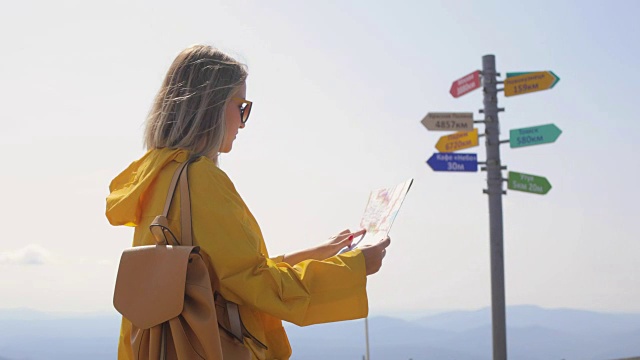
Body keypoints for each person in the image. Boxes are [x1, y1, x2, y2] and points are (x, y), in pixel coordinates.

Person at [106, 44, 391, 359]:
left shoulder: (155, 176)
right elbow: (251, 285)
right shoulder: (200, 180)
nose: (243, 122)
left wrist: (317, 253)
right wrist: (353, 268)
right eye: (241, 106)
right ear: (210, 105)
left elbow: (221, 272)